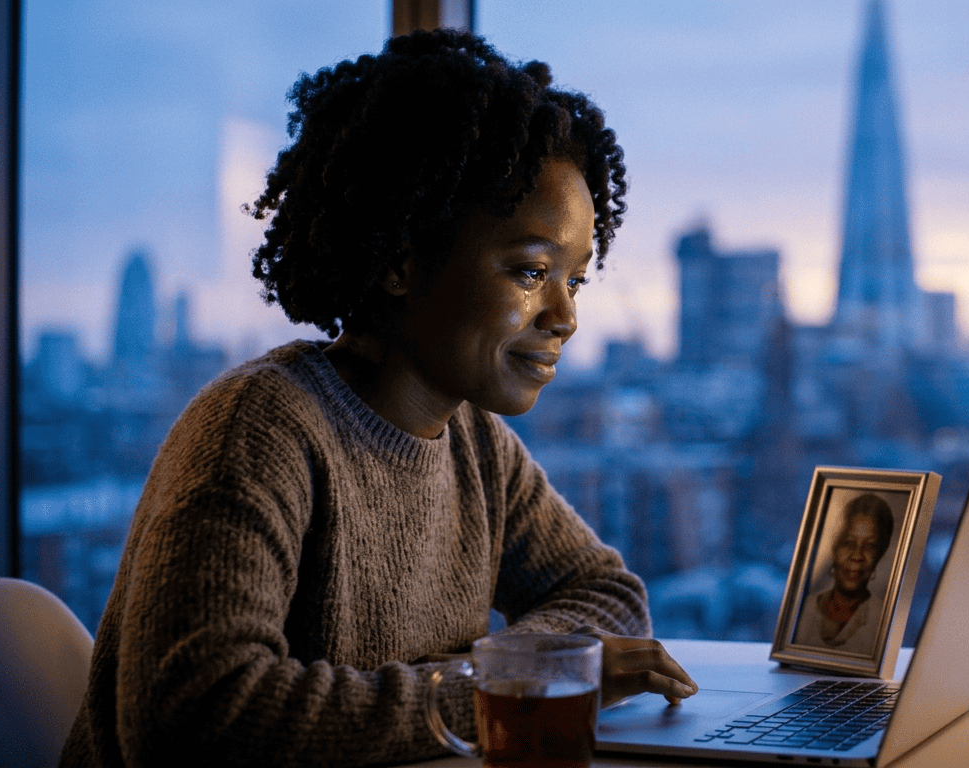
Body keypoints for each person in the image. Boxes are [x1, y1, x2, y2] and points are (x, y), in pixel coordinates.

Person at [61, 29, 696, 768]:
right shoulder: (258, 429)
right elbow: (198, 717)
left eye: (576, 278)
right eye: (530, 271)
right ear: (401, 259)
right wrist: (513, 681)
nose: (566, 316)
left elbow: (607, 594)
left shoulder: (478, 444)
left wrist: (514, 671)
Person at [793, 493, 896, 656]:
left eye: (870, 546)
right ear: (834, 548)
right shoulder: (801, 613)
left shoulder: (883, 621)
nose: (857, 555)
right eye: (849, 543)